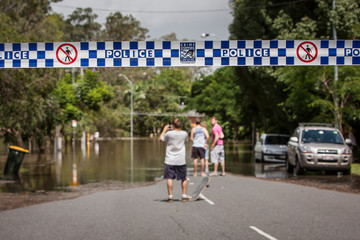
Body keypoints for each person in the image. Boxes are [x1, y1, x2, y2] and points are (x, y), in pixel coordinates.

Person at [159, 118, 191, 202]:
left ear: (172, 125)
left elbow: (160, 139)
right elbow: (186, 140)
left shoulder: (169, 134)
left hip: (170, 160)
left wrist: (164, 130)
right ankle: (184, 196)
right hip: (181, 160)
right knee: (183, 178)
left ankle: (170, 197)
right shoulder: (184, 133)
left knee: (169, 178)